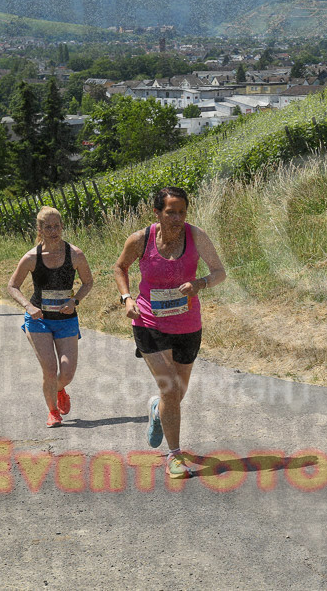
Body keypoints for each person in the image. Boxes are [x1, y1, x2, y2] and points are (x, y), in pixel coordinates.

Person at [112, 186, 226, 479]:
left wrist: (200, 283)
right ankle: (174, 456)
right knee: (171, 389)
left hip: (187, 325)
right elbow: (120, 268)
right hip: (149, 323)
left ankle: (156, 410)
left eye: (182, 212)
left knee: (178, 392)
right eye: (170, 212)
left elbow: (219, 272)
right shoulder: (141, 239)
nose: (177, 218)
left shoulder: (196, 236)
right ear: (157, 213)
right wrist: (127, 298)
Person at [7, 207, 93, 428]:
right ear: (39, 229)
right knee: (49, 369)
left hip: (66, 320)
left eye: (57, 226)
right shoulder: (31, 257)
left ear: (62, 226)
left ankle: (58, 389)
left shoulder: (75, 254)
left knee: (67, 372)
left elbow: (88, 282)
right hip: (39, 320)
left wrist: (74, 301)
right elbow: (12, 286)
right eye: (48, 227)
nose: (53, 231)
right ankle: (53, 411)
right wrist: (28, 306)